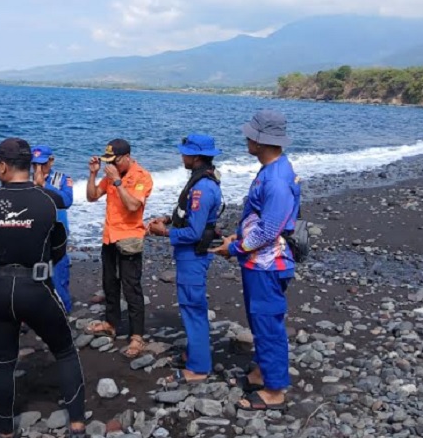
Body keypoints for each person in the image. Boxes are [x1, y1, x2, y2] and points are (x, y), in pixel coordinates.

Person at [0, 138, 86, 438]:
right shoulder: (52, 200)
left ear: (3, 166)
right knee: (64, 352)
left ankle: (6, 432)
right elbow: (59, 246)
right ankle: (77, 429)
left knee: (4, 361)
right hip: (36, 287)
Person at [210, 110, 301, 412]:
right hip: (259, 262)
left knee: (267, 325)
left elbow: (269, 229)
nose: (246, 138)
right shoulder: (273, 169)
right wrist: (237, 242)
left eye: (251, 134)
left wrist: (235, 248)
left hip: (268, 264)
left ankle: (275, 391)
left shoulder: (275, 180)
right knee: (259, 321)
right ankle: (263, 371)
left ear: (262, 140)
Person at [147, 134, 223, 384]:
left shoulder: (202, 187)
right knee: (191, 306)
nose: (182, 156)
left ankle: (199, 368)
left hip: (193, 255)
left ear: (196, 156)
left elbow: (194, 232)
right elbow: (188, 214)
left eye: (185, 153)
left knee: (193, 308)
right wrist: (169, 219)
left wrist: (164, 232)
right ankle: (193, 353)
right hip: (191, 254)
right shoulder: (201, 180)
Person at [84, 139, 153, 359]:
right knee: (109, 283)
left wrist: (117, 182)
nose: (110, 165)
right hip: (109, 237)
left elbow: (133, 206)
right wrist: (94, 174)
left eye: (114, 161)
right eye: (108, 162)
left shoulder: (141, 176)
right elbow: (92, 196)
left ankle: (137, 335)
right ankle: (111, 323)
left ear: (125, 157)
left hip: (129, 239)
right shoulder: (112, 176)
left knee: (131, 286)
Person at [31, 145, 74, 312]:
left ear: (51, 160)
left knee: (58, 279)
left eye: (42, 164)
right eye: (34, 164)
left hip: (56, 237)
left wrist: (44, 186)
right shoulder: (26, 180)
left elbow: (67, 201)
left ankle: (64, 312)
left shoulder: (61, 178)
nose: (38, 168)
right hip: (34, 235)